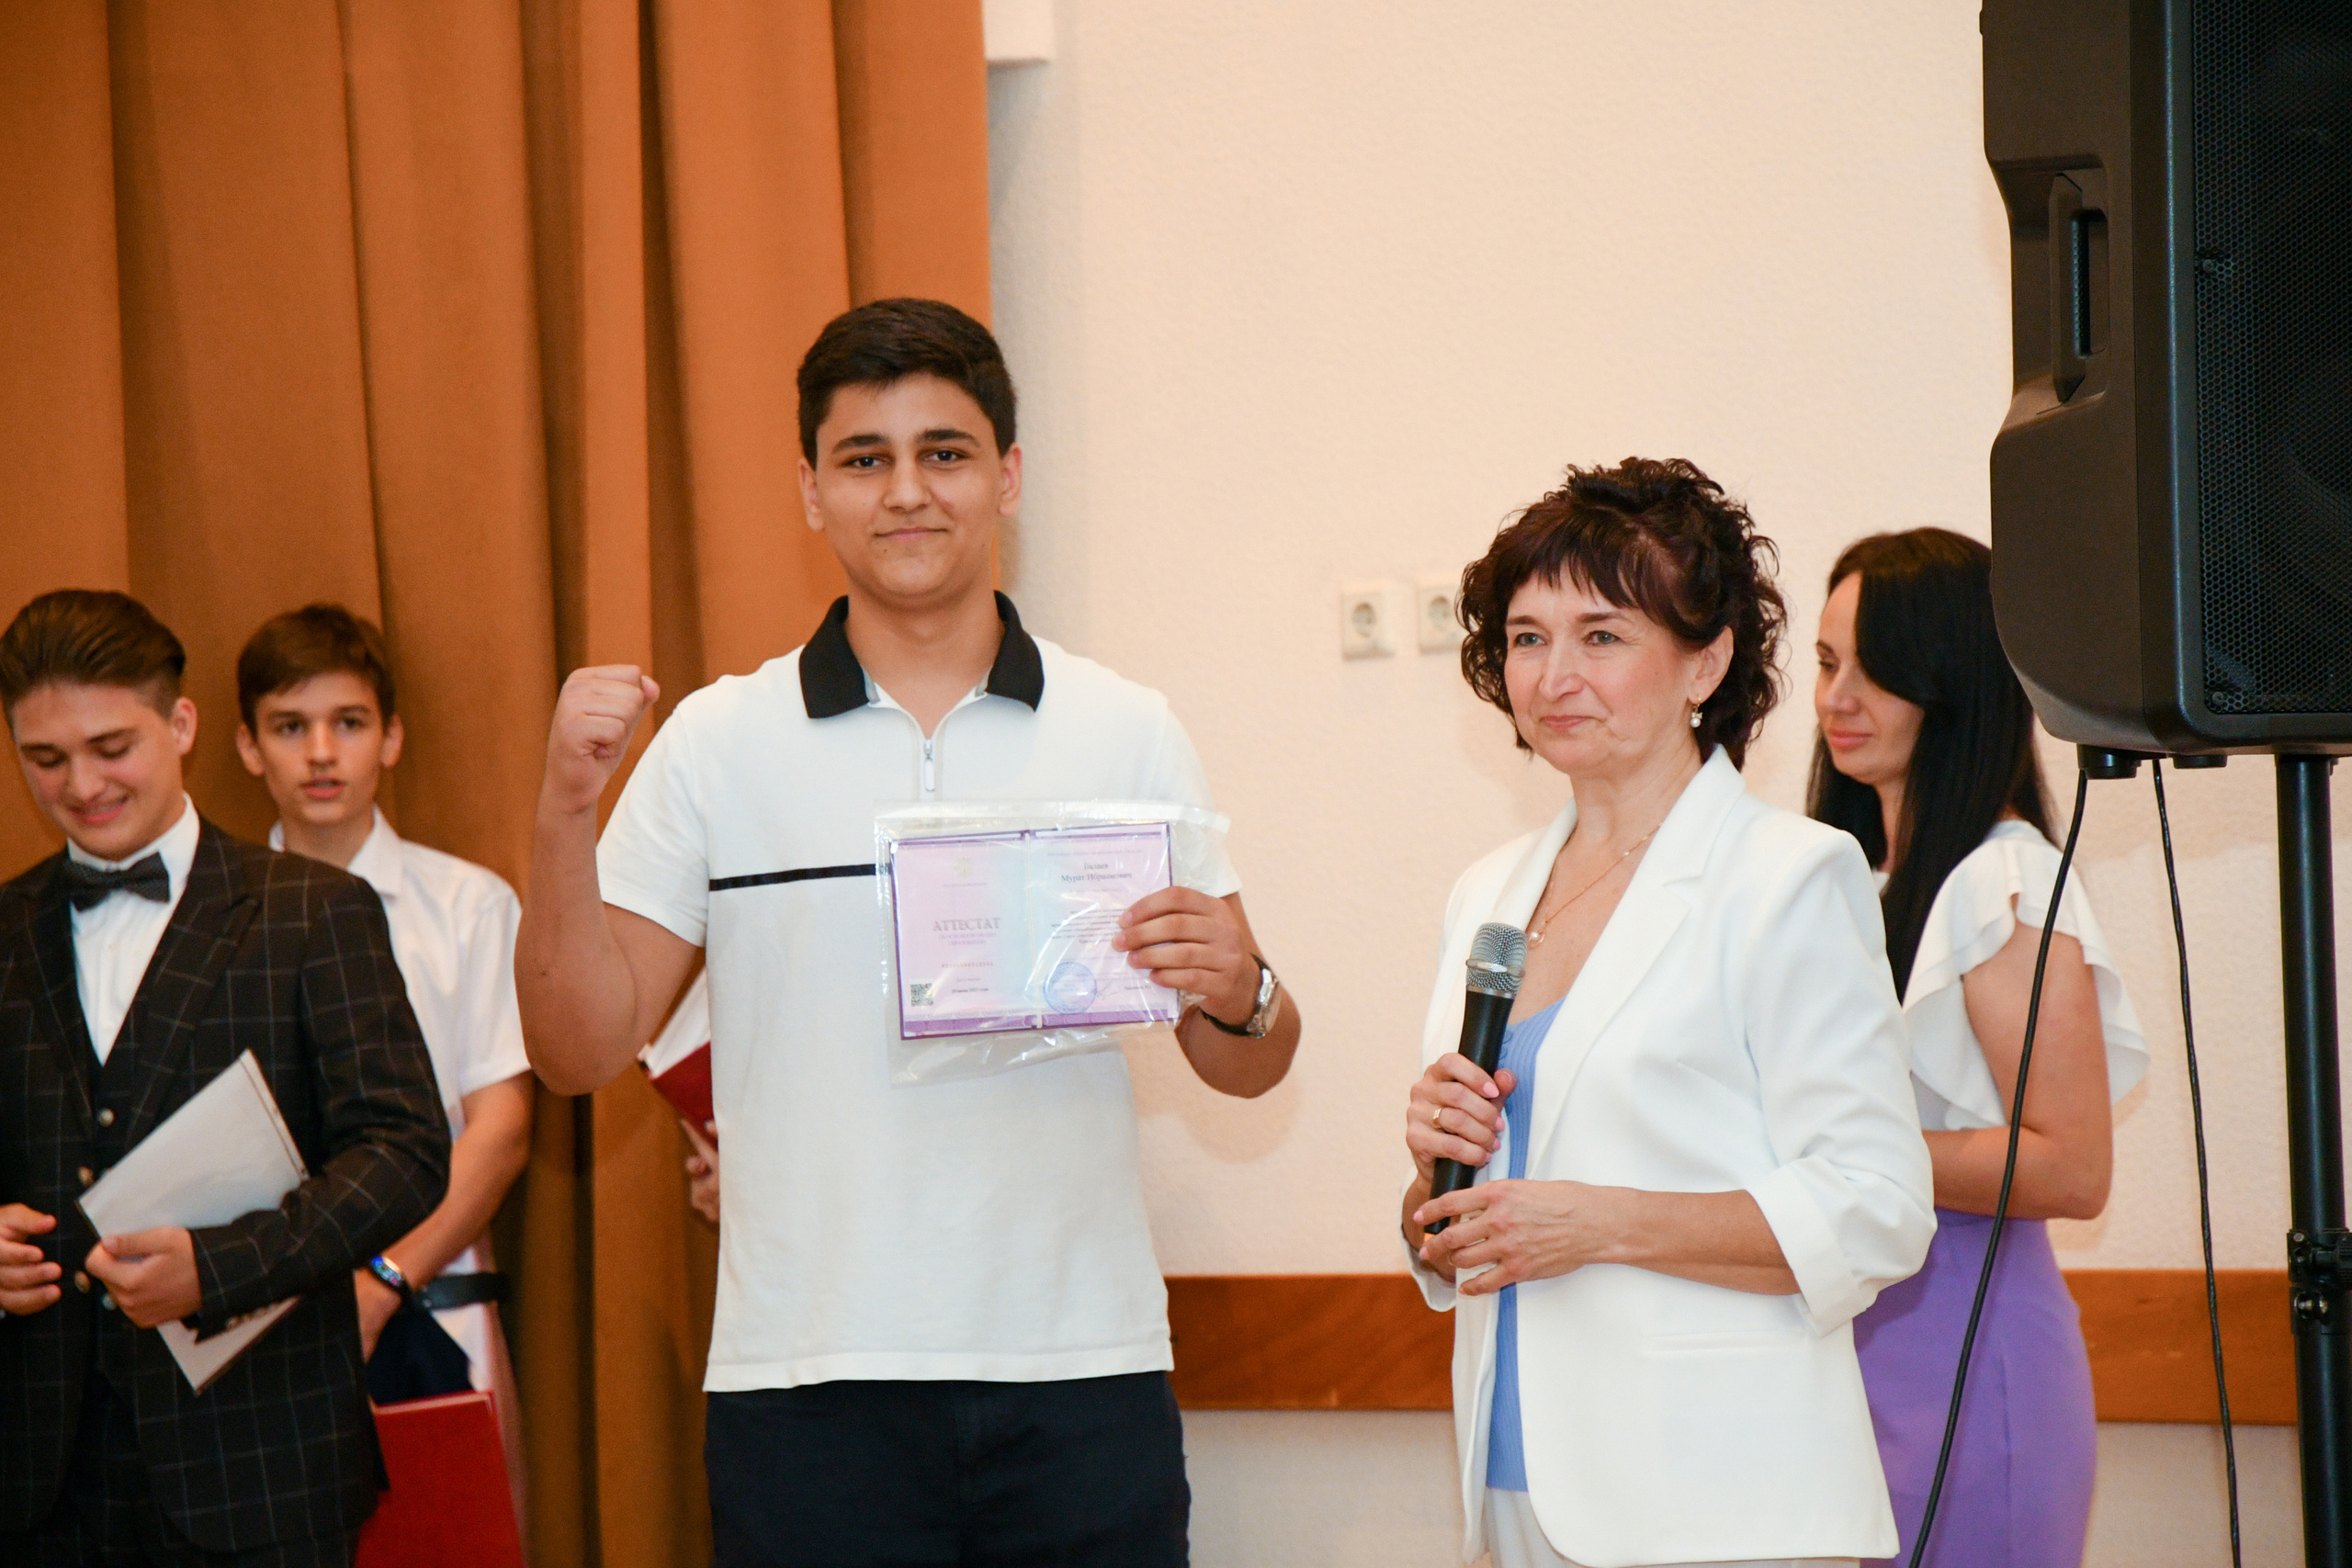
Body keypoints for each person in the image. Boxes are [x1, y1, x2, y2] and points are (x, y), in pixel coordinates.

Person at [513, 298, 1304, 1566]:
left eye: (944, 451)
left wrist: (1244, 986)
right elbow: (572, 1046)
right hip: (805, 1377)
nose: (908, 491)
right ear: (811, 492)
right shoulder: (718, 741)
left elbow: (1247, 1056)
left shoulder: (1125, 724)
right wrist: (562, 805)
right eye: (863, 457)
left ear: (1008, 475)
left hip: (1082, 1371)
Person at [1403, 459, 1936, 1568]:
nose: (1554, 675)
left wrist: (1596, 1223)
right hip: (1514, 1484)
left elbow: (1877, 1206)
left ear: (1707, 658)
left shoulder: (1786, 877)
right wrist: (1432, 1192)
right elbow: (1472, 1225)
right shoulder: (1485, 896)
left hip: (1719, 1495)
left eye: (1602, 636)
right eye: (1526, 637)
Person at [0, 590, 449, 1564]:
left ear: (182, 725)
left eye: (111, 746)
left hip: (264, 1467)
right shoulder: (2, 930)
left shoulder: (311, 912)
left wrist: (220, 1267)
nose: (81, 783)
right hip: (37, 1484)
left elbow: (406, 1152)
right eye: (44, 759)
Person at [1810, 529, 2146, 1568]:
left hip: (1970, 1336)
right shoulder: (1857, 885)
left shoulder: (1999, 881)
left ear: (1954, 682)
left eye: (1879, 669)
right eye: (1825, 664)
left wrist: (1845, 1161)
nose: (1837, 699)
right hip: (1854, 1341)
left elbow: (2071, 1164)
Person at [233, 604, 535, 1508]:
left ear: (391, 738)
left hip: (433, 1302)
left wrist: (379, 1284)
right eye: (290, 727)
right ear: (249, 747)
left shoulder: (469, 906)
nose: (321, 752)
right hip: (262, 1323)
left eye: (349, 723)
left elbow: (501, 1129)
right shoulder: (214, 919)